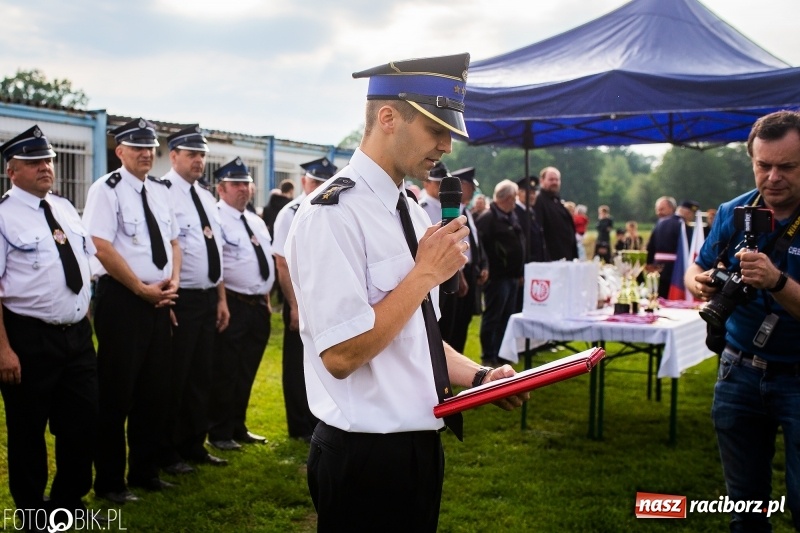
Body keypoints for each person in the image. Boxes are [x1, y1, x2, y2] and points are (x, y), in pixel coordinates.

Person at [285, 53, 526, 532]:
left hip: (418, 448)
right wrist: (422, 275)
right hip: (364, 458)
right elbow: (341, 354)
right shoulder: (331, 214)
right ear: (388, 118)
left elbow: (417, 335)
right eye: (436, 129)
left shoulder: (411, 211)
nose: (446, 146)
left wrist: (480, 376)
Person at [685, 110, 800, 532]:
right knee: (746, 509)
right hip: (739, 370)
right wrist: (702, 284)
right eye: (763, 165)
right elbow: (696, 268)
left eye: (787, 167)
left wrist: (776, 281)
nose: (773, 177)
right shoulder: (735, 211)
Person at [0, 126, 98, 525]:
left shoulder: (64, 208)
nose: (45, 167)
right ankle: (32, 512)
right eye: (33, 161)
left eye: (48, 160)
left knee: (82, 423)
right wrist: (3, 350)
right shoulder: (3, 216)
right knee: (28, 430)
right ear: (12, 171)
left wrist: (84, 317)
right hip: (28, 338)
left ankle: (68, 503)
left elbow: (83, 266)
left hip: (76, 336)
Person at [83, 118, 181, 503]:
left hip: (158, 300)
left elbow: (173, 242)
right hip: (124, 300)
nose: (146, 153)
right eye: (137, 147)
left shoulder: (159, 190)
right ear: (120, 151)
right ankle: (110, 482)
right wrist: (141, 289)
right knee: (116, 394)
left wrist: (172, 282)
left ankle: (145, 471)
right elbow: (100, 246)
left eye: (150, 147)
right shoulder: (106, 190)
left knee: (153, 392)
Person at [160, 125, 229, 474]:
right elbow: (165, 249)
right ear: (174, 156)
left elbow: (214, 250)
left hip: (207, 297)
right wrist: (169, 299)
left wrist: (221, 298)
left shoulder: (204, 196)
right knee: (177, 377)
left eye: (202, 154)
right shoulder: (161, 192)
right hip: (182, 298)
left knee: (202, 375)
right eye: (192, 154)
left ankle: (193, 444)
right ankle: (168, 451)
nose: (199, 160)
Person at [207, 158, 275, 451]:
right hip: (233, 303)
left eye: (246, 183)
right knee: (226, 370)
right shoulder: (216, 217)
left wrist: (266, 298)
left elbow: (263, 262)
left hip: (258, 306)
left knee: (247, 369)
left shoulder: (255, 220)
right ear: (221, 189)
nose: (243, 189)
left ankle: (238, 426)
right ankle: (219, 432)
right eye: (236, 184)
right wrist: (221, 301)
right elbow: (217, 265)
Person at [272, 156, 337, 441]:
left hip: (325, 302)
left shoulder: (333, 208)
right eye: (315, 181)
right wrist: (294, 306)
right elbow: (281, 262)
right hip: (301, 302)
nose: (320, 187)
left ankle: (318, 419)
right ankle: (299, 425)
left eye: (325, 181)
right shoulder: (290, 212)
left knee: (324, 362)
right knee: (297, 364)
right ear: (302, 182)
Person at [438, 167, 488, 354]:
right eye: (470, 187)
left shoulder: (466, 211)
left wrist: (483, 265)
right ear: (462, 186)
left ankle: (458, 360)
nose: (474, 191)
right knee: (450, 324)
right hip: (455, 272)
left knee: (463, 321)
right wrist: (459, 274)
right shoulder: (446, 210)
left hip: (469, 271)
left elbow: (476, 243)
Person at [477, 180, 525, 367]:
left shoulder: (511, 216)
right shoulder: (488, 218)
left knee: (506, 317)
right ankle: (489, 355)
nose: (516, 201)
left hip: (511, 276)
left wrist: (519, 271)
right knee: (493, 317)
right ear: (508, 197)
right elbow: (481, 247)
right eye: (514, 197)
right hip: (497, 277)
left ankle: (501, 353)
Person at [533, 166, 578, 261]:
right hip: (552, 258)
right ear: (542, 181)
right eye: (551, 179)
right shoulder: (539, 201)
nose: (554, 182)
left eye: (557, 180)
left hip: (565, 256)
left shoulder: (556, 201)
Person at [646, 196, 680, 298]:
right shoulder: (659, 224)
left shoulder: (680, 224)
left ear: (671, 208)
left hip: (675, 269)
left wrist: (649, 263)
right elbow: (651, 246)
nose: (658, 212)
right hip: (659, 268)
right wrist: (649, 263)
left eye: (662, 209)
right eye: (657, 210)